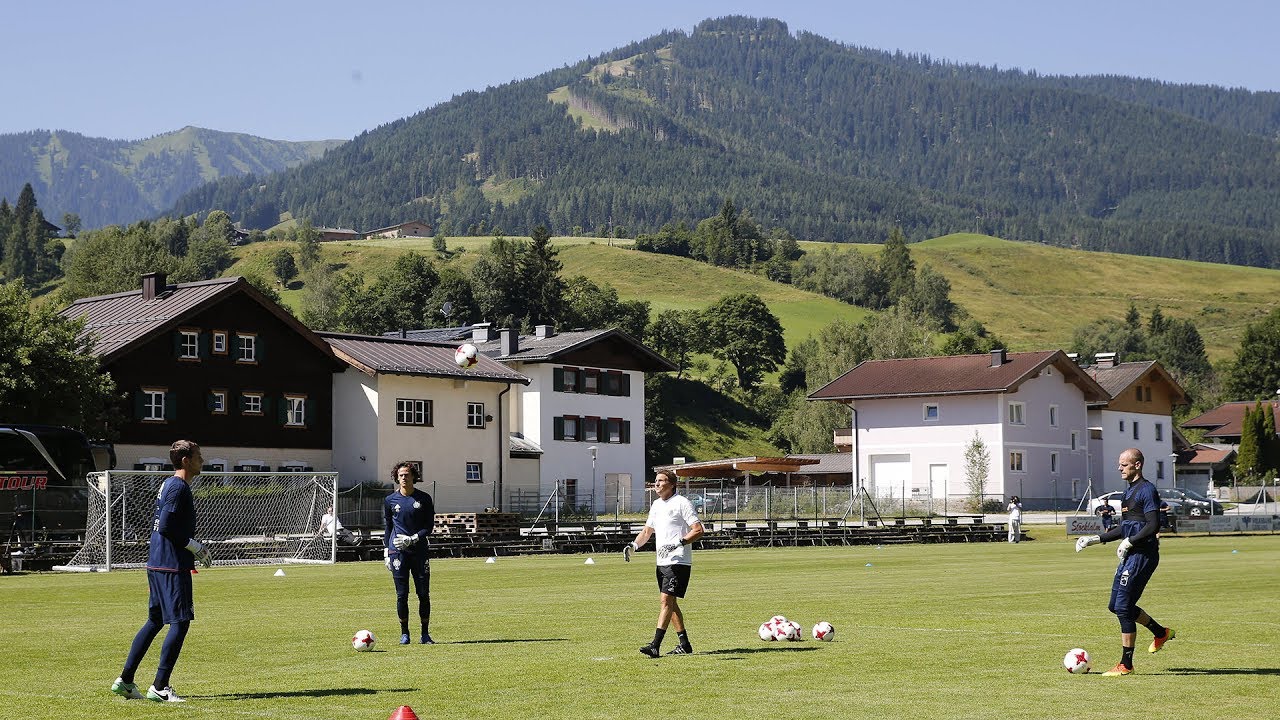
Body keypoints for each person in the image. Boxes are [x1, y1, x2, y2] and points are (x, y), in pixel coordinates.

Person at [111, 440, 213, 703]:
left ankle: (125, 680)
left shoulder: (171, 485)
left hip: (158, 561)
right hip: (170, 564)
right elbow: (166, 525)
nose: (203, 460)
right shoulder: (178, 487)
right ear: (186, 460)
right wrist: (194, 546)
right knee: (180, 622)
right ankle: (160, 686)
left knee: (155, 620)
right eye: (199, 455)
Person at [1074, 448, 1175, 675]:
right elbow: (1125, 527)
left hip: (1143, 555)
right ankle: (1161, 633)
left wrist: (1131, 541)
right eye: (1119, 464)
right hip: (1131, 554)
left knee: (1122, 607)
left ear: (1137, 465)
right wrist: (1095, 539)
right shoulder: (1129, 492)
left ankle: (1126, 665)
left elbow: (1153, 525)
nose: (1119, 468)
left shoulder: (1147, 490)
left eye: (1124, 464)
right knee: (1115, 606)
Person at [623, 470, 705, 657]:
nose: (656, 484)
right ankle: (684, 644)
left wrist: (679, 543)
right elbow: (646, 531)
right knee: (671, 602)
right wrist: (633, 545)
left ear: (672, 484)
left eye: (661, 481)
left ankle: (655, 645)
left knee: (666, 600)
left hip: (678, 561)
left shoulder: (682, 503)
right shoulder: (656, 505)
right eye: (656, 481)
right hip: (662, 562)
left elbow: (698, 530)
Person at [384, 462, 435, 645]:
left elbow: (429, 527)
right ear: (396, 477)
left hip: (419, 552)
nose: (404, 477)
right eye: (400, 475)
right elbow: (389, 527)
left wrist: (413, 538)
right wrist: (386, 551)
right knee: (401, 594)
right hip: (398, 553)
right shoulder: (390, 500)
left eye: (407, 474)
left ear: (413, 476)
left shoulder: (424, 498)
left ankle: (425, 634)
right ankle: (404, 633)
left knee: (423, 594)